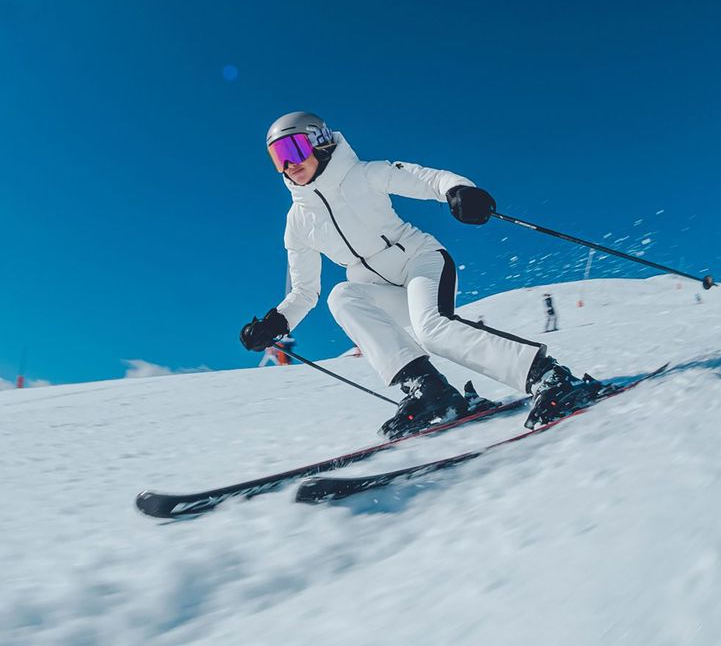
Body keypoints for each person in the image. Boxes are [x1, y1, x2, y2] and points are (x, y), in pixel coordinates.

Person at [239, 112, 601, 437]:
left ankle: (547, 375)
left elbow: (426, 179)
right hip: (376, 287)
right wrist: (277, 322)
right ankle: (429, 391)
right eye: (277, 158)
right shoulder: (297, 222)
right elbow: (305, 291)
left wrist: (459, 191)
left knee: (432, 328)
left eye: (293, 148)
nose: (288, 164)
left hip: (420, 262)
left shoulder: (363, 174)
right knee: (342, 296)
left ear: (319, 141)